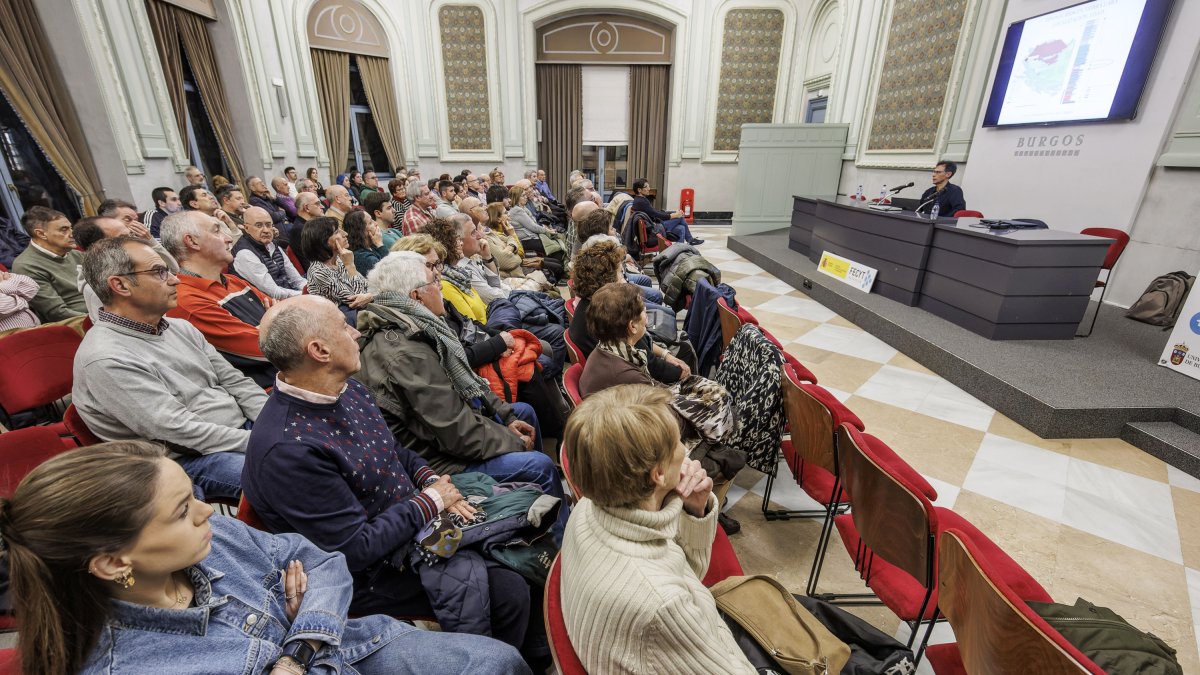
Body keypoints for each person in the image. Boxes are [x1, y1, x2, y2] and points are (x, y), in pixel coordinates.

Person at [0, 440, 530, 675]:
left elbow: (321, 562)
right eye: (183, 511)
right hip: (338, 649)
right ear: (114, 563)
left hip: (349, 647)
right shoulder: (134, 664)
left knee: (496, 660)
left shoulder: (212, 541)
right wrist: (308, 624)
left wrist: (299, 646)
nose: (209, 512)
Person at [246, 296, 548, 665]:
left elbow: (395, 453)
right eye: (344, 326)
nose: (355, 333)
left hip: (413, 524)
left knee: (526, 536)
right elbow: (354, 549)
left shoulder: (348, 389)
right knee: (508, 587)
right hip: (365, 574)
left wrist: (435, 484)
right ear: (319, 350)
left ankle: (534, 653)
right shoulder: (288, 449)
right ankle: (501, 664)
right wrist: (432, 501)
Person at [356, 251, 568, 540]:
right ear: (416, 295)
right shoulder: (405, 353)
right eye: (434, 278)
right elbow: (455, 431)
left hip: (448, 436)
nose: (441, 283)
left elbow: (471, 384)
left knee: (522, 413)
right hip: (435, 460)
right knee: (539, 465)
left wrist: (505, 418)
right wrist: (512, 440)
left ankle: (541, 503)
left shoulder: (420, 328)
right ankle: (556, 540)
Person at [560, 384, 755, 674]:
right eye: (679, 442)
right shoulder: (663, 605)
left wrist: (694, 508)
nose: (686, 451)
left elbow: (686, 575)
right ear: (659, 474)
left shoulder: (588, 507)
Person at [74, 236, 266, 500]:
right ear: (120, 285)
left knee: (318, 441)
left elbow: (236, 382)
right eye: (159, 272)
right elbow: (180, 432)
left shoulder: (179, 327)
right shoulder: (106, 358)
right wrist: (265, 441)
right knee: (290, 473)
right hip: (190, 459)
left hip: (238, 433)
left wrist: (273, 424)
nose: (175, 279)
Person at [161, 210, 277, 388]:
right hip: (269, 391)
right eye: (216, 231)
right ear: (192, 241)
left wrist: (270, 325)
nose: (229, 238)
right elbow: (267, 348)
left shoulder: (233, 281)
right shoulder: (187, 300)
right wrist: (276, 321)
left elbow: (287, 315)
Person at [569, 238, 690, 384]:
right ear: (607, 281)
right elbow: (653, 366)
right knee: (685, 347)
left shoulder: (590, 306)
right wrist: (683, 373)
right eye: (621, 273)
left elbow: (643, 345)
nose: (625, 281)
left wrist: (665, 354)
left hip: (623, 376)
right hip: (629, 384)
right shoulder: (610, 316)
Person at [73, 215, 179, 321]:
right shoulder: (97, 287)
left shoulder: (130, 263)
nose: (136, 239)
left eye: (131, 234)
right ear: (101, 247)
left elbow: (174, 270)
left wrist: (150, 241)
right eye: (125, 237)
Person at [11, 206, 87, 322]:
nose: (72, 234)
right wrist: (104, 319)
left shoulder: (76, 254)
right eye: (64, 229)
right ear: (41, 234)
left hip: (103, 312)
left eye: (70, 228)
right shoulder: (27, 266)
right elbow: (57, 313)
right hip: (78, 324)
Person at [579, 283, 655, 397]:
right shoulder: (629, 377)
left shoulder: (603, 349)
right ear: (632, 326)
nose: (647, 315)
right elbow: (662, 405)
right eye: (643, 310)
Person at [300, 216, 373, 320]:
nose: (345, 234)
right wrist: (350, 266)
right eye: (337, 232)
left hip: (360, 314)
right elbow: (355, 301)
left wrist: (370, 295)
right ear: (324, 241)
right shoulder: (318, 271)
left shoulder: (339, 259)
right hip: (340, 320)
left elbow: (367, 285)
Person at [231, 206, 306, 300]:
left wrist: (312, 290)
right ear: (246, 228)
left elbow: (297, 280)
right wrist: (306, 294)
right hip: (271, 305)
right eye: (259, 225)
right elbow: (274, 293)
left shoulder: (272, 245)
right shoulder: (244, 254)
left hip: (292, 294)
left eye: (268, 225)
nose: (266, 230)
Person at [631, 178, 701, 245]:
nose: (649, 189)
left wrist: (673, 214)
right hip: (655, 229)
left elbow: (655, 212)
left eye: (648, 186)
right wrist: (675, 215)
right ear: (639, 190)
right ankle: (690, 240)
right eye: (646, 187)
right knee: (680, 218)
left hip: (654, 226)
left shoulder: (639, 200)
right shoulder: (641, 202)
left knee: (681, 228)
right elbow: (656, 214)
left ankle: (680, 250)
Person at [344, 210, 390, 278]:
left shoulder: (371, 246)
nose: (376, 223)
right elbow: (391, 271)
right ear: (361, 231)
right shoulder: (363, 258)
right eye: (371, 222)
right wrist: (380, 244)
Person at [0, 267, 40, 334]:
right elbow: (1, 308)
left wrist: (1, 288)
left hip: (37, 329)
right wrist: (23, 300)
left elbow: (32, 286)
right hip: (8, 338)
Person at [287, 192, 323, 258]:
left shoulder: (310, 225)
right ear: (306, 208)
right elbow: (308, 259)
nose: (321, 207)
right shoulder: (299, 230)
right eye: (317, 204)